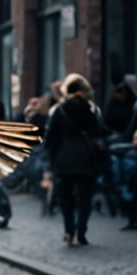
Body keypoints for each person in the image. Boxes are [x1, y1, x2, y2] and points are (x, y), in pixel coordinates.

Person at [44, 73, 107, 246]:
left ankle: (69, 231)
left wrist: (51, 160)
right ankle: (81, 232)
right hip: (86, 158)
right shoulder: (90, 109)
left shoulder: (59, 109)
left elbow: (50, 138)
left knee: (66, 198)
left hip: (64, 159)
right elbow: (98, 132)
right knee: (85, 198)